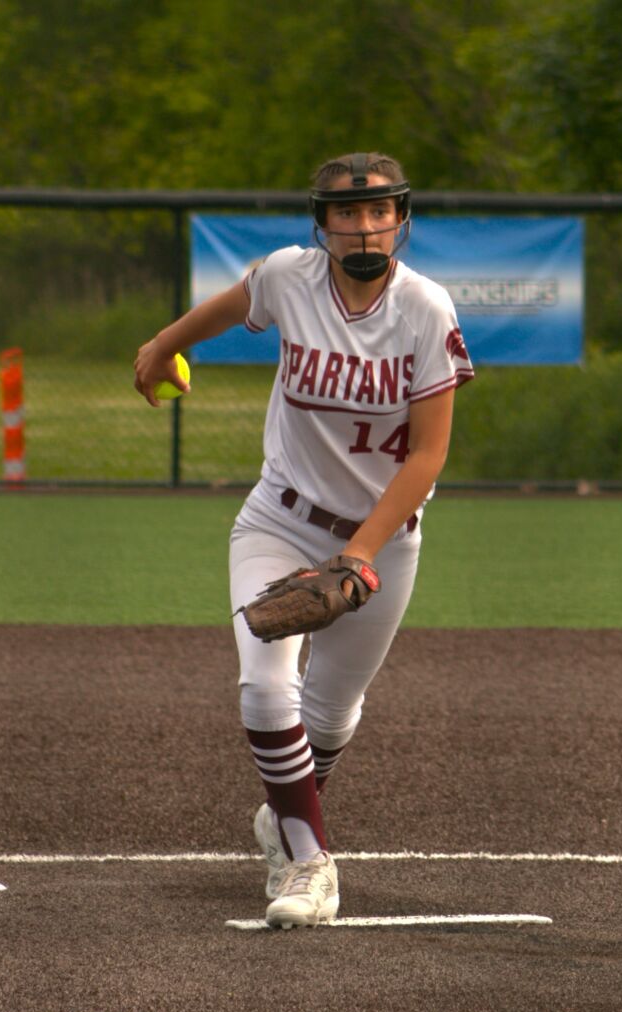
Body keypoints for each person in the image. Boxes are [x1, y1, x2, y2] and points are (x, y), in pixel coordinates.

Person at [133, 151, 474, 928]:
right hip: (278, 521)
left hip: (382, 541)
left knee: (331, 713)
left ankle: (285, 814)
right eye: (347, 212)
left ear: (400, 219)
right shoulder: (290, 276)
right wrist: (160, 347)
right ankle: (309, 861)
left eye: (379, 210)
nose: (364, 226)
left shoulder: (425, 308)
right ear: (322, 223)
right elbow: (230, 306)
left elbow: (428, 455)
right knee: (263, 689)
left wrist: (359, 552)